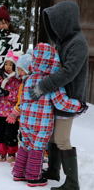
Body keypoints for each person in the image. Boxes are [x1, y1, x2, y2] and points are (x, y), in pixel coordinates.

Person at [29, 1, 89, 190]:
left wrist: (43, 86)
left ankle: (72, 183)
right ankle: (54, 170)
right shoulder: (64, 42)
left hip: (68, 98)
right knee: (53, 137)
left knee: (62, 139)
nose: (53, 28)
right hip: (56, 96)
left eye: (56, 23)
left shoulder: (78, 43)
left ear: (64, 21)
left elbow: (69, 72)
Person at [12, 43, 86, 187]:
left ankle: (19, 172)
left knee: (25, 145)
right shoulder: (51, 81)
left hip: (25, 120)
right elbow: (61, 102)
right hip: (41, 123)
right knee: (37, 148)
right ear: (52, 60)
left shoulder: (28, 78)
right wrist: (79, 106)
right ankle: (34, 177)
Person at [0, 50, 22, 163]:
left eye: (11, 65)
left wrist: (7, 94)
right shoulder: (0, 78)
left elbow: (18, 96)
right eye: (6, 64)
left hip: (11, 113)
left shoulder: (17, 80)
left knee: (11, 134)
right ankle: (2, 153)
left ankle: (11, 153)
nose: (8, 67)